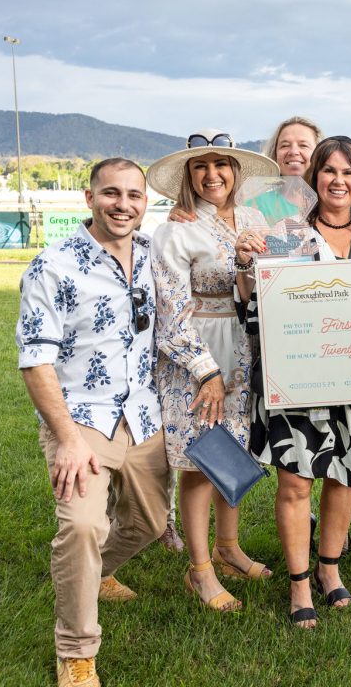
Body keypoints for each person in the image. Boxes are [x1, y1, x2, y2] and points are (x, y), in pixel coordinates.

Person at [16, 158, 169, 687]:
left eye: (133, 195)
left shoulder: (152, 255)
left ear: (145, 202)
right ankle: (76, 651)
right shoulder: (52, 266)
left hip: (144, 415)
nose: (123, 204)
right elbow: (35, 360)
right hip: (81, 418)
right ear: (89, 198)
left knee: (151, 524)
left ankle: (90, 574)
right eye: (111, 193)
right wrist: (65, 440)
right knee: (82, 523)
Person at [234, 136, 351, 628]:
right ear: (313, 178)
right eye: (329, 171)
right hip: (299, 377)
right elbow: (256, 303)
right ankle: (298, 581)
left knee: (345, 477)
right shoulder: (288, 233)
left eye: (349, 172)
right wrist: (244, 262)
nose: (338, 181)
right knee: (297, 482)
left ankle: (329, 567)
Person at [147, 129, 279, 613]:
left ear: (236, 171)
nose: (211, 175)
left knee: (235, 451)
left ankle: (228, 547)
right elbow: (170, 316)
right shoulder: (176, 230)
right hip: (197, 352)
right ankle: (199, 570)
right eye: (200, 167)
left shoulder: (252, 218)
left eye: (221, 164)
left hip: (244, 345)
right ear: (188, 176)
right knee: (202, 459)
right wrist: (206, 372)